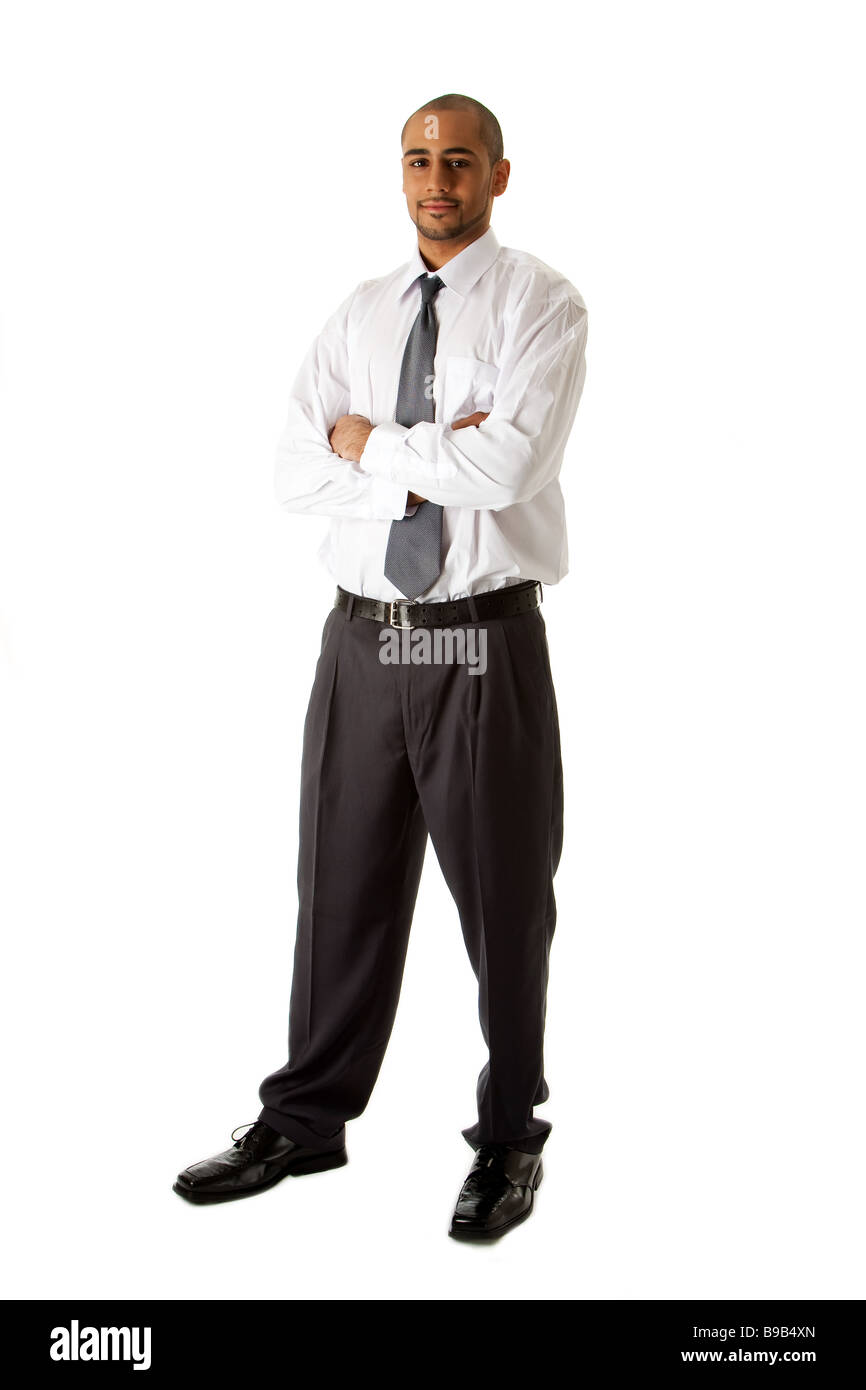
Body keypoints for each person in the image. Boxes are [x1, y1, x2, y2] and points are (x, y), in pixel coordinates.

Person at [173, 92, 588, 1242]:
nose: (435, 177)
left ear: (497, 176)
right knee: (339, 882)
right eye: (417, 158)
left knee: (505, 898)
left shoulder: (539, 304)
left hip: (478, 640)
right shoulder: (359, 312)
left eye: (458, 160)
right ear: (398, 172)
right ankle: (305, 1120)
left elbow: (507, 466)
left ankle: (509, 1137)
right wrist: (429, 458)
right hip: (362, 634)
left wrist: (377, 444)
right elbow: (293, 470)